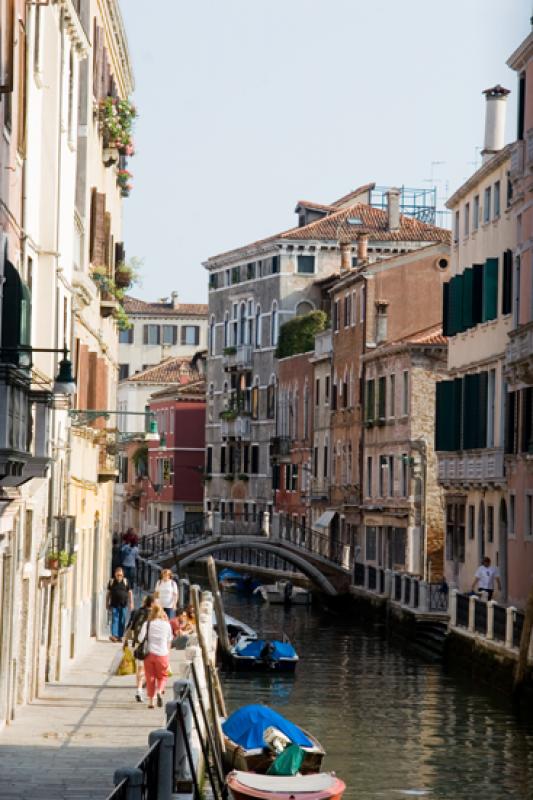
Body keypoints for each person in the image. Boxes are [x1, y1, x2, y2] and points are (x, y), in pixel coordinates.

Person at [137, 603, 173, 709]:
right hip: (162, 654)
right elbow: (169, 639)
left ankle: (151, 702)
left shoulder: (147, 624)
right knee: (163, 676)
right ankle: (159, 691)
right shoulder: (167, 625)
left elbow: (140, 638)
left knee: (150, 677)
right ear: (162, 612)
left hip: (149, 654)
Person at [124, 594, 154, 702]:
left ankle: (139, 690)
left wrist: (128, 643)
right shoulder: (154, 615)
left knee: (140, 669)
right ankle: (147, 690)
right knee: (149, 670)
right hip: (151, 646)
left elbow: (130, 627)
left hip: (138, 645)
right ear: (153, 603)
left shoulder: (137, 612)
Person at [107, 567, 133, 642]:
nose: (119, 576)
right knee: (115, 620)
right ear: (115, 574)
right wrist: (107, 603)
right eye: (118, 575)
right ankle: (114, 635)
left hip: (124, 604)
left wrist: (131, 603)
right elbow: (108, 594)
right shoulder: (111, 581)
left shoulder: (126, 581)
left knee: (122, 620)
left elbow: (130, 592)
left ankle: (120, 636)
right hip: (114, 604)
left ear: (123, 575)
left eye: (120, 575)